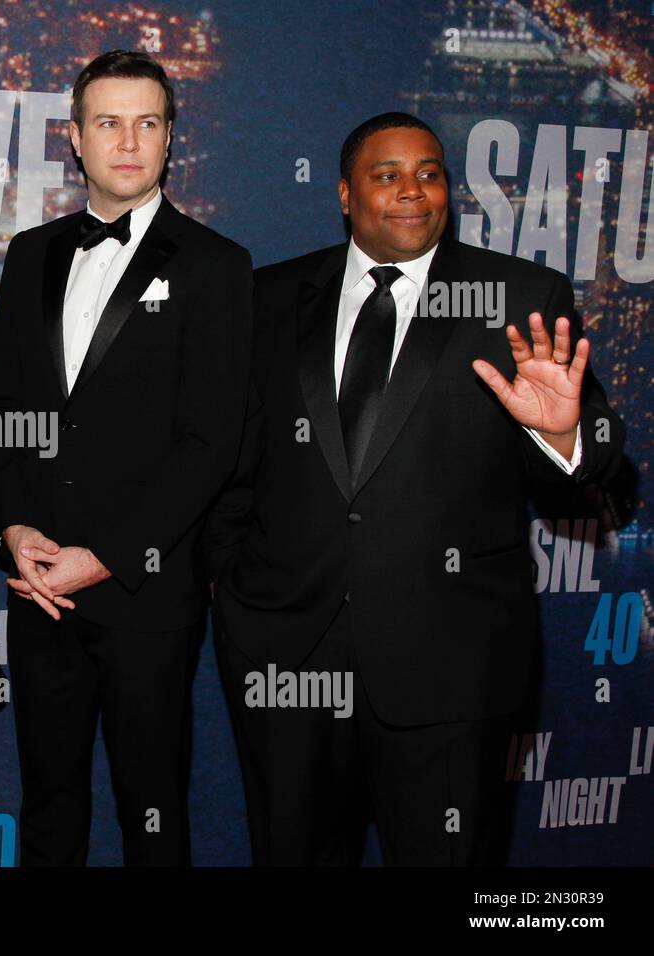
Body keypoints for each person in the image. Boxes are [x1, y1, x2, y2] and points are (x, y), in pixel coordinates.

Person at [207, 112, 626, 865]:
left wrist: (560, 433)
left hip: (453, 670)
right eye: (387, 174)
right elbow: (224, 464)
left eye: (429, 173)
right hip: (288, 662)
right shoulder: (266, 298)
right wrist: (233, 587)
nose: (412, 192)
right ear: (344, 194)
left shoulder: (517, 296)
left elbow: (601, 457)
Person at [0, 50, 253, 866]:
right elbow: (8, 412)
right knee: (49, 804)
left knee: (154, 807)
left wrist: (105, 557)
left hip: (145, 588)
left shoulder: (216, 264)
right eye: (108, 122)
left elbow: (213, 443)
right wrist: (17, 529)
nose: (128, 140)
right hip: (41, 590)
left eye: (147, 123)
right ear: (75, 137)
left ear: (171, 139)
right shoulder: (31, 253)